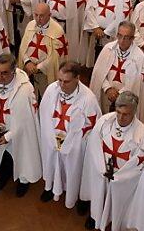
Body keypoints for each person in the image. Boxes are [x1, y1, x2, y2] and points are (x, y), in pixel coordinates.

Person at [80, 91, 144, 231]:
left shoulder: (143, 136)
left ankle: (112, 221)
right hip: (101, 171)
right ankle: (95, 215)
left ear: (134, 112)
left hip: (121, 179)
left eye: (125, 114)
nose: (120, 117)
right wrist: (101, 168)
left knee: (116, 200)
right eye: (118, 112)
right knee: (99, 192)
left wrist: (119, 177)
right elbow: (94, 145)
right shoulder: (105, 121)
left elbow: (139, 166)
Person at [38, 61, 101, 209]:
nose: (61, 85)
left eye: (66, 81)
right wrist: (50, 137)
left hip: (74, 145)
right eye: (59, 80)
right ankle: (50, 187)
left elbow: (92, 128)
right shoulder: (51, 89)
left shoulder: (88, 99)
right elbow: (44, 114)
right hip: (53, 139)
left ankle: (75, 194)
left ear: (77, 79)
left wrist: (70, 142)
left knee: (73, 169)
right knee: (52, 163)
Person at [0, 54, 42, 197]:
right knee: (1, 156)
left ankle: (23, 180)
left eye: (4, 73)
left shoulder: (25, 89)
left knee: (21, 155)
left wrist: (9, 135)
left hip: (18, 133)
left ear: (14, 71)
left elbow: (27, 120)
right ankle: (4, 174)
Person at [89, 22, 144, 115]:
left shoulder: (139, 57)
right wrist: (107, 88)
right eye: (120, 36)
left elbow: (136, 84)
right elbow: (99, 74)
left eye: (126, 37)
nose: (122, 40)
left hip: (125, 100)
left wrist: (119, 94)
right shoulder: (108, 49)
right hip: (106, 95)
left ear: (132, 38)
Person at [83, 0, 132, 66]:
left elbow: (121, 17)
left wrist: (105, 32)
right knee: (94, 61)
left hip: (111, 35)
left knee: (107, 62)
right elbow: (89, 8)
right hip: (96, 31)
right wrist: (95, 27)